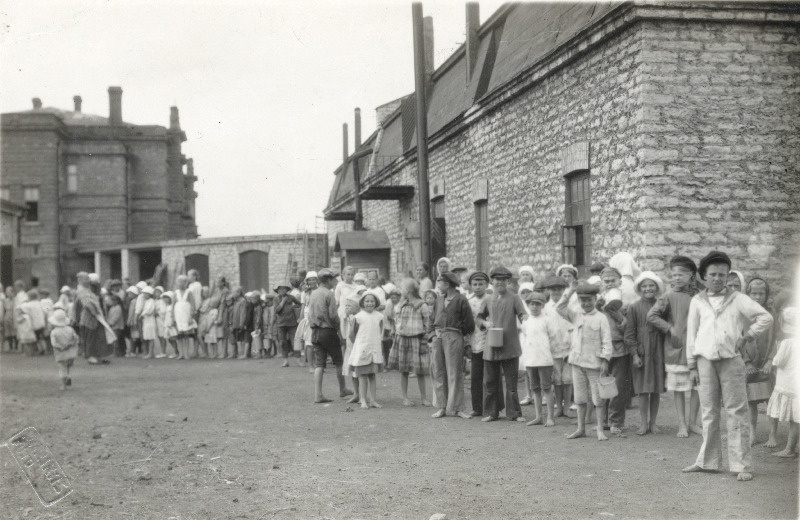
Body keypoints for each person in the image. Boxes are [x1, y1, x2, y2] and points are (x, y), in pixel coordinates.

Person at [682, 251, 773, 482]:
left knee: (736, 411)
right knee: (709, 412)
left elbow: (765, 318)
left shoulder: (738, 299)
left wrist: (748, 336)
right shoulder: (697, 301)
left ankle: (741, 464)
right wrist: (692, 365)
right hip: (704, 362)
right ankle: (707, 462)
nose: (717, 278)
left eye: (722, 274)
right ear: (703, 276)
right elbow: (691, 335)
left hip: (732, 361)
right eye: (712, 274)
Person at [647, 255, 702, 438]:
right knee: (679, 388)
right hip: (677, 348)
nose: (677, 278)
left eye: (681, 275)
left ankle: (693, 422)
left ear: (691, 275)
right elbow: (652, 315)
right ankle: (681, 424)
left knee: (697, 387)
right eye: (674, 275)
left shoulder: (700, 295)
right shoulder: (668, 296)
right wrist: (670, 328)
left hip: (698, 347)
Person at [557, 282, 613, 441]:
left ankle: (600, 429)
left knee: (598, 398)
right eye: (582, 300)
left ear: (595, 299)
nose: (586, 303)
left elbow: (607, 341)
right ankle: (580, 429)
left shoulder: (601, 318)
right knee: (580, 398)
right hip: (577, 362)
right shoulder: (575, 315)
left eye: (589, 299)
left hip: (595, 364)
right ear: (579, 301)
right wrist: (570, 291)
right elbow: (560, 308)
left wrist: (605, 360)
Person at [478, 266, 527, 423]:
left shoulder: (514, 298)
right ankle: (492, 413)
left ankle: (514, 413)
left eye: (503, 279)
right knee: (490, 382)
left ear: (508, 281)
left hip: (510, 346)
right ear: (492, 281)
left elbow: (523, 315)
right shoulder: (487, 299)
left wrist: (527, 321)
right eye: (497, 279)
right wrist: (485, 323)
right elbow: (478, 318)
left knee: (511, 383)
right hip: (491, 347)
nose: (500, 282)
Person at [428, 271, 475, 419]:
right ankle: (442, 406)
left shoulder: (461, 300)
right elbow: (431, 320)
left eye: (440, 282)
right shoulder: (438, 300)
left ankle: (457, 407)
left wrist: (457, 333)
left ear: (447, 284)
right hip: (438, 338)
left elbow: (469, 324)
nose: (438, 285)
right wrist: (433, 336)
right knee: (438, 371)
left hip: (454, 338)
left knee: (454, 373)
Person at [625, 271, 665, 435]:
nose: (648, 288)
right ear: (640, 288)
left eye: (651, 285)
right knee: (642, 389)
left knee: (655, 388)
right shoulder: (634, 307)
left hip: (658, 350)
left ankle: (653, 422)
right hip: (642, 351)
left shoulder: (662, 305)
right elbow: (629, 334)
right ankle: (643, 423)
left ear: (656, 288)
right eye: (645, 286)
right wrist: (634, 354)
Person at [307, 268, 350, 403]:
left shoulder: (313, 293)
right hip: (328, 331)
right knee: (339, 361)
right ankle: (342, 389)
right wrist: (339, 332)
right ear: (328, 280)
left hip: (315, 332)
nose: (336, 281)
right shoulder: (329, 294)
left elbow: (309, 314)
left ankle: (318, 394)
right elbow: (333, 315)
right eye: (333, 279)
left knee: (319, 364)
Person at [387, 278, 431, 406]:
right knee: (404, 370)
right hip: (402, 340)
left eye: (402, 288)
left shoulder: (422, 305)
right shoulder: (401, 305)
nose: (401, 291)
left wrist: (425, 339)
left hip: (416, 339)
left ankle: (424, 398)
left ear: (408, 290)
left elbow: (428, 324)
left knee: (420, 370)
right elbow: (397, 321)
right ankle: (405, 398)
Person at [743, 277, 776, 445]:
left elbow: (777, 339)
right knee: (751, 402)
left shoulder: (771, 314)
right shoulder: (743, 315)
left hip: (767, 367)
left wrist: (771, 361)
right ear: (748, 294)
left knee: (771, 401)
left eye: (761, 293)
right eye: (753, 293)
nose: (757, 297)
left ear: (766, 294)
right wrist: (747, 362)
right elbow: (738, 340)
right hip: (750, 368)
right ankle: (752, 433)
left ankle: (772, 434)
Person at [598, 267, 630, 434]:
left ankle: (616, 421)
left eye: (613, 280)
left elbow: (628, 327)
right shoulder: (597, 301)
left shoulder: (626, 302)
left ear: (620, 282)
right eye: (606, 281)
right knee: (602, 384)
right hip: (601, 348)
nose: (610, 284)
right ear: (601, 283)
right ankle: (602, 420)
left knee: (618, 386)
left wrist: (618, 315)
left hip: (619, 347)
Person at [520, 291, 559, 427]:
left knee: (546, 388)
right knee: (535, 388)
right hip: (531, 359)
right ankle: (538, 416)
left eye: (538, 304)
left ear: (542, 305)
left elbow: (553, 339)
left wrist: (551, 357)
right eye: (532, 304)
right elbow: (526, 336)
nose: (534, 307)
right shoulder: (526, 321)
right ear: (528, 305)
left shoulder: (547, 320)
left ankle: (550, 417)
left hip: (544, 359)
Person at [766, 306, 798, 458]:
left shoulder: (787, 343)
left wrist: (777, 352)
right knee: (796, 418)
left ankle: (789, 450)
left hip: (787, 385)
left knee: (793, 417)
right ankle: (792, 447)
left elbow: (778, 361)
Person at [542, 275, 574, 418]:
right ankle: (559, 407)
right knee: (557, 379)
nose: (556, 292)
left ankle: (567, 407)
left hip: (568, 347)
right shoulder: (545, 308)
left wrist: (572, 344)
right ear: (548, 290)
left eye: (559, 289)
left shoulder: (568, 306)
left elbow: (572, 326)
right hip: (553, 348)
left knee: (567, 379)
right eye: (553, 289)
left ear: (564, 290)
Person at [349, 293, 385, 409]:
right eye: (367, 301)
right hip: (362, 349)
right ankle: (363, 399)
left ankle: (373, 400)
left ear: (376, 303)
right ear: (363, 303)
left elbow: (380, 331)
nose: (370, 303)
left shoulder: (379, 316)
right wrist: (359, 345)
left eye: (372, 301)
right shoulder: (358, 317)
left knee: (372, 375)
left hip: (374, 348)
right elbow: (352, 334)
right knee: (362, 376)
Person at [466, 271, 490, 416]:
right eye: (474, 284)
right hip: (474, 341)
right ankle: (477, 407)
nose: (478, 287)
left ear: (486, 285)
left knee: (490, 376)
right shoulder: (468, 301)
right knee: (475, 376)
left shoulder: (491, 299)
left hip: (489, 340)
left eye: (481, 284)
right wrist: (467, 343)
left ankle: (491, 407)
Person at [76, 273, 112, 365]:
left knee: (97, 337)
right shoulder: (82, 291)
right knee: (90, 338)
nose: (88, 281)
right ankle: (91, 357)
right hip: (90, 318)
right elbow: (87, 304)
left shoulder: (88, 290)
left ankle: (96, 356)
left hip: (96, 317)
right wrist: (94, 312)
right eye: (86, 279)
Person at [49, 309, 79, 390]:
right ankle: (68, 376)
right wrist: (70, 344)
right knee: (68, 366)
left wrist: (60, 347)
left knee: (62, 368)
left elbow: (54, 343)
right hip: (71, 352)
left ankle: (63, 385)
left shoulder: (54, 332)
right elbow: (76, 338)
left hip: (60, 353)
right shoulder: (70, 329)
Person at [341, 293, 363, 404]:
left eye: (349, 306)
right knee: (353, 373)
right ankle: (356, 394)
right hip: (351, 348)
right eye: (346, 305)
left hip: (357, 348)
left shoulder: (358, 318)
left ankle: (362, 394)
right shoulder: (349, 318)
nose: (346, 308)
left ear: (356, 307)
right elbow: (344, 333)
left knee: (360, 372)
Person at [173, 275, 199, 360]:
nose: (180, 284)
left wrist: (191, 317)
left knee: (186, 335)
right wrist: (172, 317)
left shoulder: (189, 292)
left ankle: (186, 353)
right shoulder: (175, 292)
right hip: (178, 315)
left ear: (185, 283)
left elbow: (193, 304)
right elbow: (173, 305)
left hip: (186, 315)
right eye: (179, 282)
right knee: (179, 335)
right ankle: (181, 353)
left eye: (182, 282)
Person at [275, 282, 300, 367]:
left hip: (292, 323)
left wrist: (293, 307)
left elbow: (299, 304)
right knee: (282, 342)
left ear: (286, 290)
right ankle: (285, 360)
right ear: (277, 290)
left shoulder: (291, 297)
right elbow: (276, 310)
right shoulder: (276, 299)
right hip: (281, 324)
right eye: (280, 289)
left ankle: (298, 359)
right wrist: (282, 302)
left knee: (295, 341)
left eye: (283, 288)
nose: (282, 290)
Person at [140, 286, 157, 358]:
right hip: (146, 320)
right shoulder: (146, 301)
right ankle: (150, 353)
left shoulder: (151, 301)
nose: (144, 295)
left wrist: (142, 314)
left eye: (145, 293)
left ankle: (150, 353)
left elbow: (149, 311)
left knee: (151, 337)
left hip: (150, 320)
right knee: (147, 337)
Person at [3, 285, 16, 352]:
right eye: (7, 292)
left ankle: (16, 346)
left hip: (13, 314)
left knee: (14, 331)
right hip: (7, 315)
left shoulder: (15, 299)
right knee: (8, 331)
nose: (8, 294)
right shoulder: (6, 300)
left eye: (9, 292)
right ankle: (10, 346)